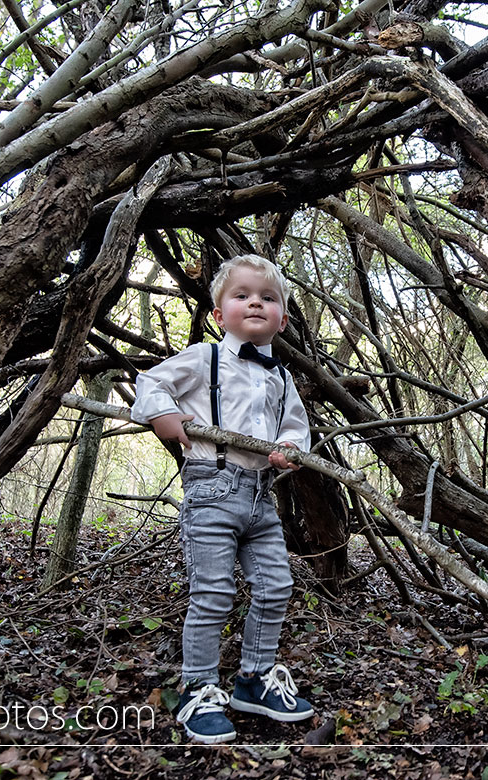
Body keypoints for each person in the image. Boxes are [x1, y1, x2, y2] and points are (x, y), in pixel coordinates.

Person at [131, 253, 313, 744]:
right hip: (211, 489)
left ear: (283, 318)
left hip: (261, 497)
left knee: (276, 586)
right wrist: (164, 416)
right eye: (242, 295)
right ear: (218, 314)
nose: (256, 302)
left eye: (268, 298)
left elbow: (295, 424)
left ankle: (254, 679)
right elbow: (150, 383)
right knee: (212, 594)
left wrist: (292, 448)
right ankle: (199, 687)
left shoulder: (281, 376)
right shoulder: (203, 358)